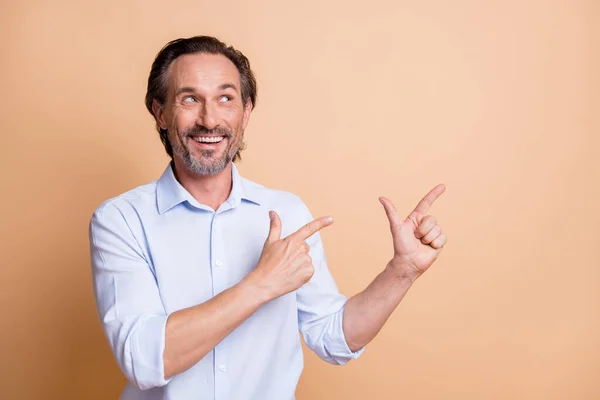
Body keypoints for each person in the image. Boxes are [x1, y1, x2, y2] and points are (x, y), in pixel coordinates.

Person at [89, 35, 447, 400]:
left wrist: (402, 271)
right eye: (190, 99)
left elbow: (334, 337)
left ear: (245, 112)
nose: (209, 119)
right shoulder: (121, 220)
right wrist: (261, 283)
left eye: (225, 98)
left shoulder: (288, 212)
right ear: (160, 113)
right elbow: (144, 359)